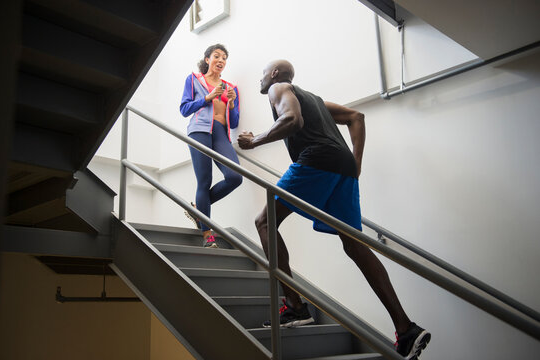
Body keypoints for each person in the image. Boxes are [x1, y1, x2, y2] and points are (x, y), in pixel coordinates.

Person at [238, 60, 430, 359]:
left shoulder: (278, 88)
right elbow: (356, 116)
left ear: (274, 74)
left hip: (316, 160)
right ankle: (405, 328)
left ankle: (295, 306)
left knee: (264, 222)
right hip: (343, 168)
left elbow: (291, 120)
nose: (261, 80)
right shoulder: (314, 99)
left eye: (262, 74)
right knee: (354, 244)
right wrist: (356, 163)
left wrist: (255, 141)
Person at [180, 44, 242, 248]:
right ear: (207, 59)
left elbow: (234, 120)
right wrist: (207, 97)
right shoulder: (194, 80)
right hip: (199, 130)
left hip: (220, 133)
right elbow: (184, 108)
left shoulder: (230, 88)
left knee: (235, 177)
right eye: (217, 56)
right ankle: (207, 234)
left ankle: (198, 209)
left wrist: (231, 104)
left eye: (224, 58)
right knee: (204, 181)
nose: (221, 60)